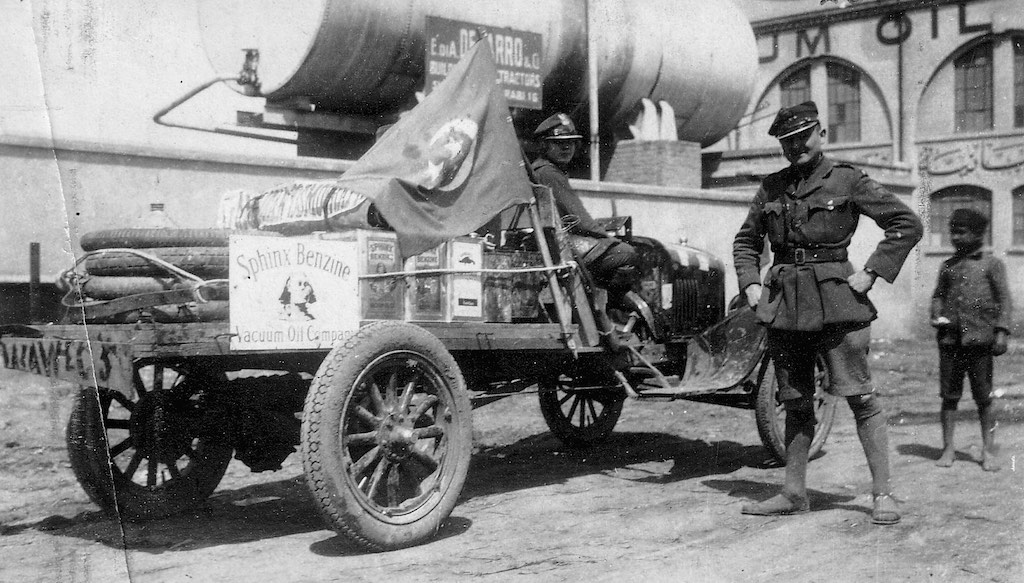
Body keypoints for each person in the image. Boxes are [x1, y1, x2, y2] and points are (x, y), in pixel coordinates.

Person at [733, 101, 923, 525]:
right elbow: (746, 241)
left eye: (803, 137)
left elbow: (907, 223)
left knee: (861, 397)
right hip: (785, 307)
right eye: (787, 141)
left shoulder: (847, 179)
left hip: (838, 304)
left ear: (822, 134)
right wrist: (750, 283)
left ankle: (882, 494)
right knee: (795, 401)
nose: (795, 146)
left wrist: (872, 272)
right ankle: (793, 492)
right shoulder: (772, 187)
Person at [530, 113, 649, 343]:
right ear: (545, 145)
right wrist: (607, 236)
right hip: (561, 246)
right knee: (627, 253)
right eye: (559, 143)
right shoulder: (549, 173)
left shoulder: (542, 170)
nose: (567, 148)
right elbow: (580, 219)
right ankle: (606, 312)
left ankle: (603, 309)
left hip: (554, 243)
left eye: (571, 142)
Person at [930, 208, 1012, 471]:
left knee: (983, 397)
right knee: (949, 396)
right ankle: (948, 449)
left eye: (961, 232)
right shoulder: (947, 266)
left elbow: (1005, 300)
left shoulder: (992, 265)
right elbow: (938, 295)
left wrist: (1001, 332)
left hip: (981, 341)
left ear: (978, 234)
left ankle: (988, 450)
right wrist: (936, 314)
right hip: (950, 341)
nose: (955, 237)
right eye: (952, 232)